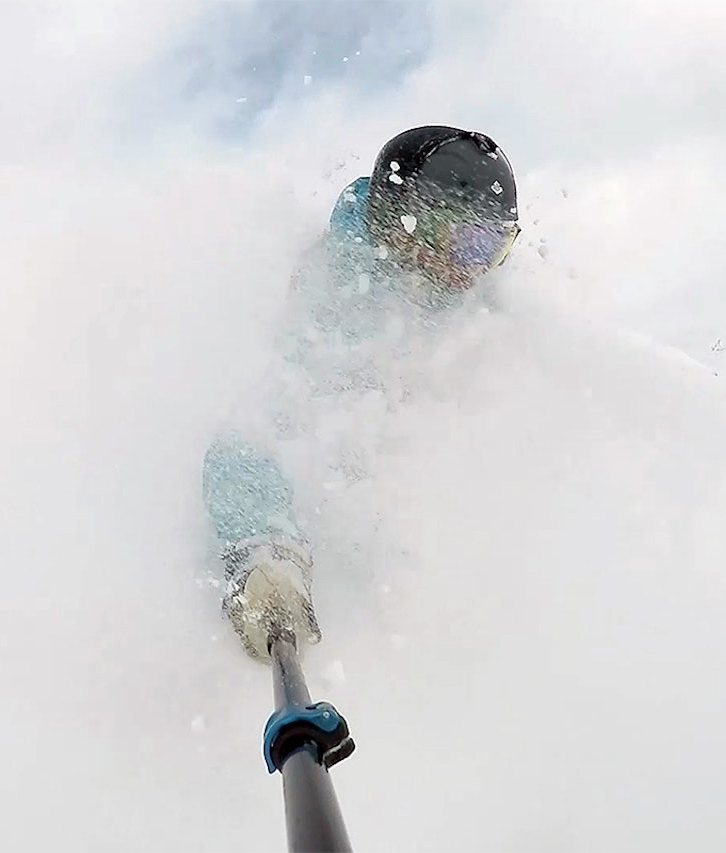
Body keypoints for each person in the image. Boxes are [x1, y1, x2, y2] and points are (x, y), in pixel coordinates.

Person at [202, 125, 521, 661]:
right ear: (401, 224)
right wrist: (264, 551)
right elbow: (251, 439)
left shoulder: (471, 304)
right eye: (457, 240)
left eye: (489, 247)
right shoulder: (340, 299)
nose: (468, 268)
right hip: (334, 521)